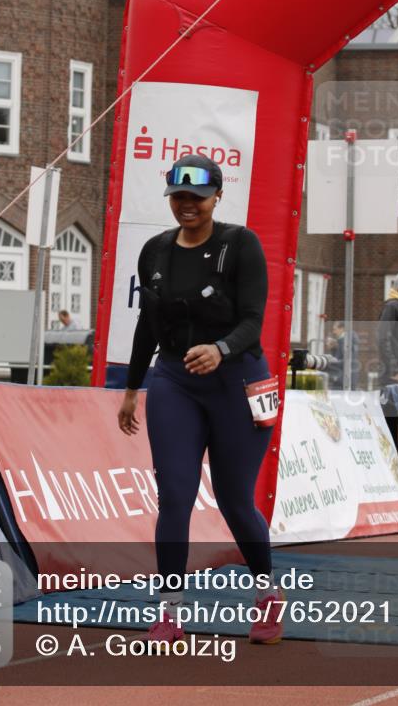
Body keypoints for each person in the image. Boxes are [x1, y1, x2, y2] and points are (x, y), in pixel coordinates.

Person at [117, 153, 284, 648]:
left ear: (217, 197)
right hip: (174, 380)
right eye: (179, 197)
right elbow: (148, 323)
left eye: (197, 197)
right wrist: (130, 390)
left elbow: (254, 319)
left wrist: (221, 349)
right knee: (175, 496)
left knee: (235, 500)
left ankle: (268, 595)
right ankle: (169, 613)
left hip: (239, 382)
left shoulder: (241, 245)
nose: (187, 206)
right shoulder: (155, 252)